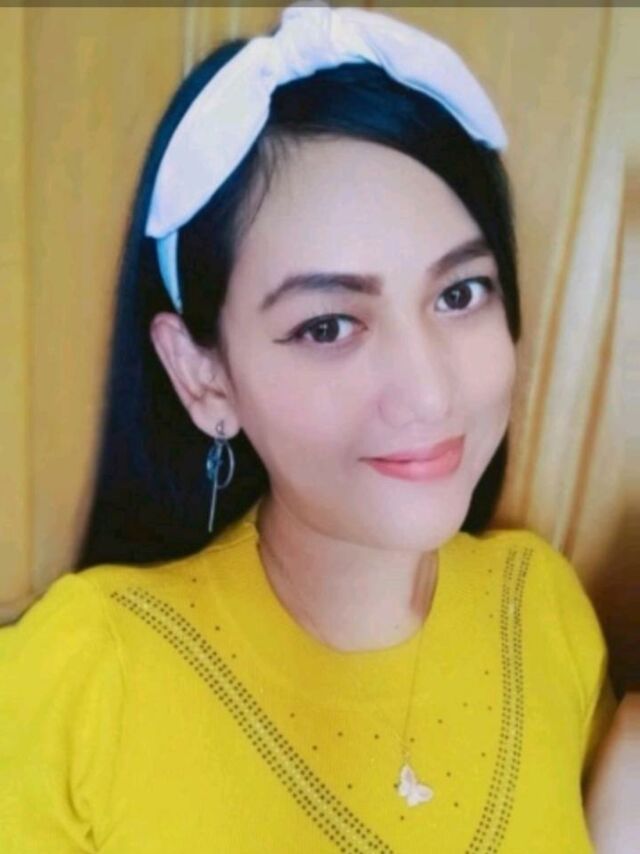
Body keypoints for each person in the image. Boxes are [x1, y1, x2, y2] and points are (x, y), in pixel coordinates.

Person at [0, 3, 620, 851]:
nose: (428, 393)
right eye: (327, 325)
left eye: (459, 293)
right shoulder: (83, 674)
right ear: (202, 374)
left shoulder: (541, 608)